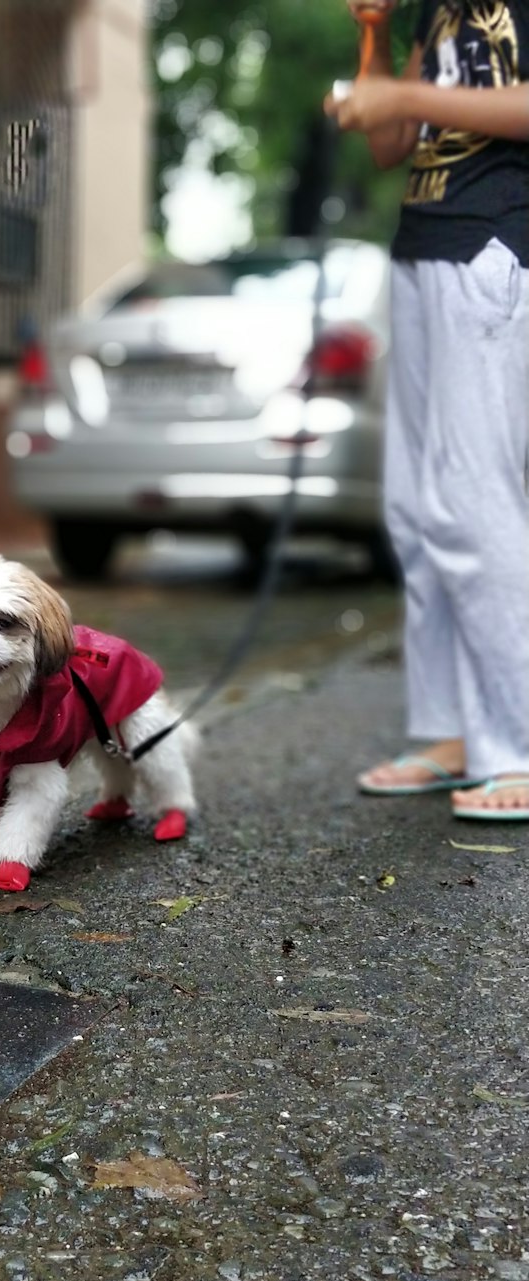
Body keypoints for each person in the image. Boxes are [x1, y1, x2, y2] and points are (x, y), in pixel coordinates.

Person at [327, 0, 529, 821]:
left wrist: (405, 100)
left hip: (490, 245)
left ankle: (516, 741)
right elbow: (386, 146)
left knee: (477, 501)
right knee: (417, 509)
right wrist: (374, 36)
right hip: (420, 253)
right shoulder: (435, 15)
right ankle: (448, 731)